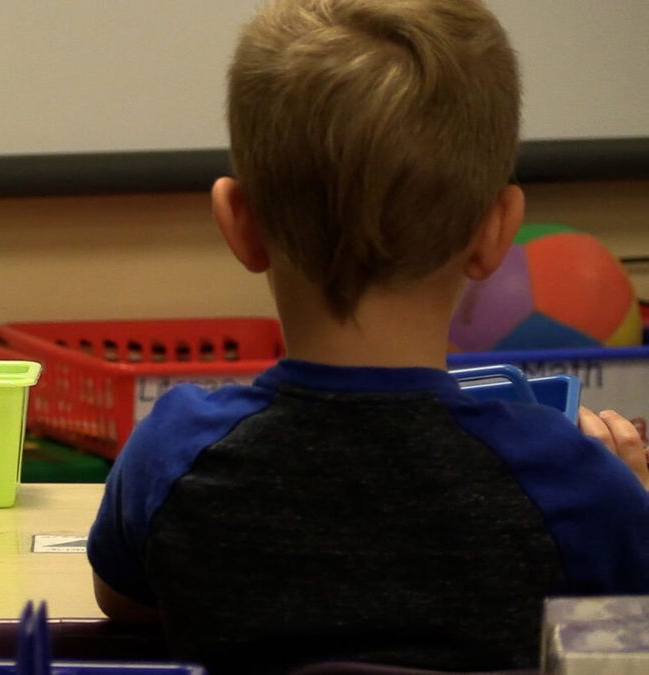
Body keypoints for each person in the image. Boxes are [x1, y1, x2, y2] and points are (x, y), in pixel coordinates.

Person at [85, 0, 649, 673]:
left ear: (239, 223)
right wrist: (631, 501)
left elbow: (124, 602)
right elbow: (625, 632)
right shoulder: (578, 487)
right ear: (498, 231)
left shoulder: (170, 456)